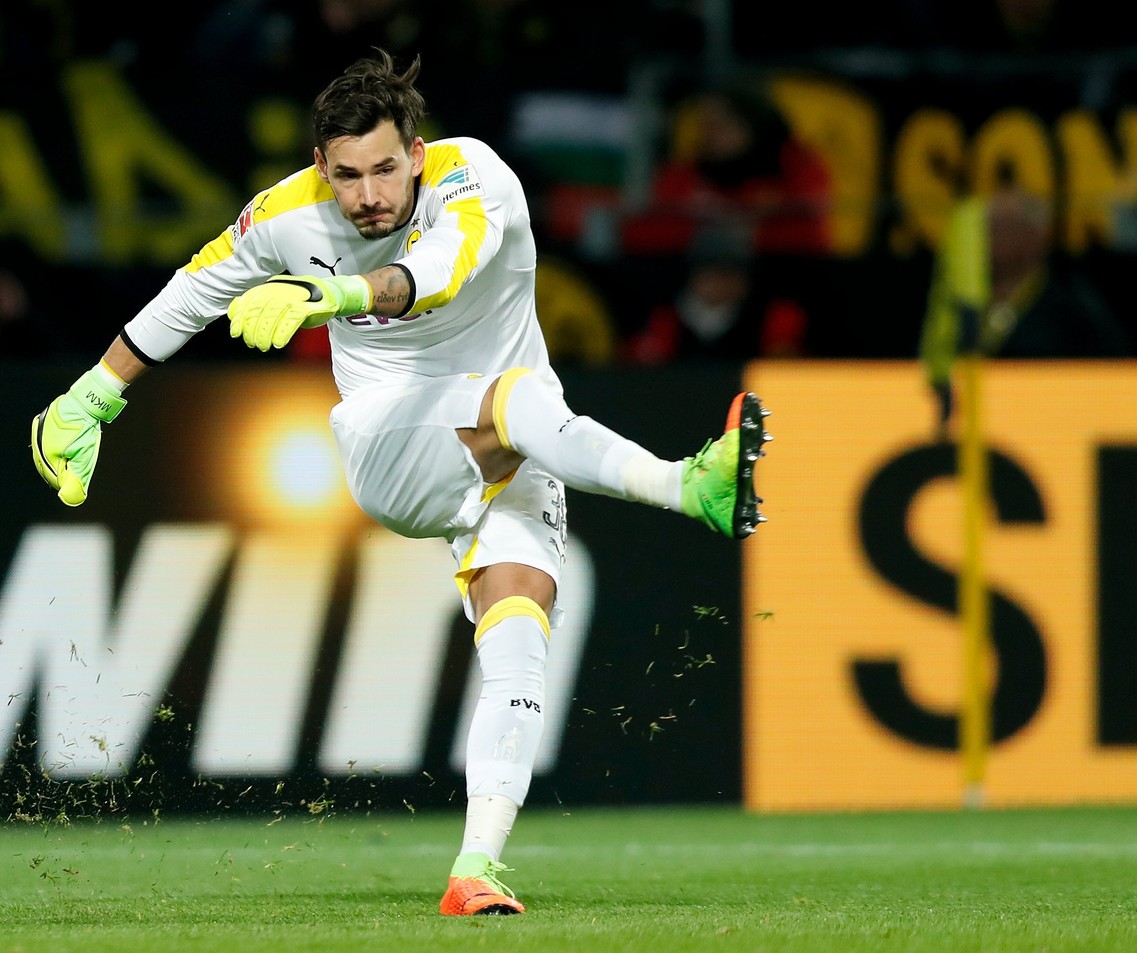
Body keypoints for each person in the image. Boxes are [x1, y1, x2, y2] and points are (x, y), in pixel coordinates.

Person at [29, 50, 770, 917]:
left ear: (416, 152)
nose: (368, 194)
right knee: (523, 395)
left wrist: (337, 295)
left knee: (520, 631)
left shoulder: (476, 178)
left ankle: (475, 869)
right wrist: (94, 394)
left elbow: (435, 276)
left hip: (517, 443)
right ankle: (691, 488)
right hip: (395, 445)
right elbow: (190, 294)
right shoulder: (284, 216)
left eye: (385, 168)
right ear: (321, 168)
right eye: (346, 175)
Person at [920, 191, 1130, 427]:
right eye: (984, 227)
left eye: (998, 227)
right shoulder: (960, 303)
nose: (983, 237)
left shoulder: (1074, 311)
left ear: (1034, 237)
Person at [621, 81, 833, 257]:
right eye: (704, 125)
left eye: (719, 125)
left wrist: (751, 229)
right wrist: (702, 230)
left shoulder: (795, 163)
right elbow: (642, 233)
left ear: (751, 125)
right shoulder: (688, 171)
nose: (708, 135)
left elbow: (808, 230)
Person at [626, 221, 809, 364]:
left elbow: (783, 372)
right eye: (717, 273)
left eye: (735, 273)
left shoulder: (769, 317)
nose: (726, 283)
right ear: (696, 276)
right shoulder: (666, 320)